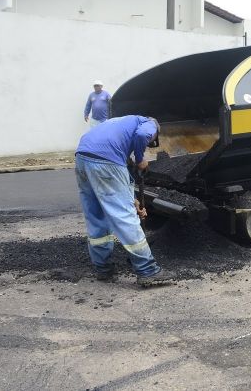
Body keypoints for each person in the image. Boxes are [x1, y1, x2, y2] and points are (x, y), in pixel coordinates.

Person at [74, 115, 175, 286]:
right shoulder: (149, 124)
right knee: (124, 217)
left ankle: (103, 268)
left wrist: (134, 201)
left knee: (96, 214)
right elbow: (143, 135)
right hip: (105, 161)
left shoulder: (119, 125)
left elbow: (123, 177)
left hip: (82, 158)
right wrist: (141, 158)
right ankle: (147, 270)